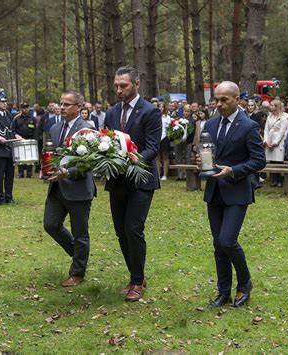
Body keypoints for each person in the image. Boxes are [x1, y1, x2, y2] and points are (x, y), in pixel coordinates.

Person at [196, 81, 266, 308]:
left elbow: (259, 160)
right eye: (216, 99)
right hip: (214, 191)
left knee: (228, 240)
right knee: (218, 244)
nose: (219, 104)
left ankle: (244, 283)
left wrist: (233, 171)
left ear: (237, 100)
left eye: (224, 100)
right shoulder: (211, 124)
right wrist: (202, 161)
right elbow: (208, 152)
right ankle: (223, 291)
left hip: (237, 192)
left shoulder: (248, 126)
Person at [104, 66, 161, 301]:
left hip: (141, 180)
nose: (118, 89)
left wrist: (133, 160)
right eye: (116, 85)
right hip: (117, 181)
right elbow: (104, 141)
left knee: (133, 229)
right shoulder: (111, 112)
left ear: (137, 84)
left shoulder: (150, 112)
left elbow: (153, 147)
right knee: (120, 231)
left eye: (123, 85)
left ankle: (137, 281)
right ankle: (134, 274)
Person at [43, 90, 96, 287]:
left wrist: (69, 172)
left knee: (80, 232)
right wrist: (46, 169)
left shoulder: (87, 130)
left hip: (78, 189)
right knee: (51, 225)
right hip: (56, 188)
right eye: (61, 104)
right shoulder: (55, 128)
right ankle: (79, 254)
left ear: (79, 107)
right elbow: (51, 154)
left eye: (67, 104)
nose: (62, 108)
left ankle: (78, 272)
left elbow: (90, 162)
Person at [263, 99, 288, 187]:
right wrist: (266, 141)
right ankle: (273, 179)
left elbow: (282, 131)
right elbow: (266, 129)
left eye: (272, 105)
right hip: (269, 139)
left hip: (279, 141)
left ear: (276, 107)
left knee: (278, 160)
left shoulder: (285, 116)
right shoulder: (270, 116)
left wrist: (275, 143)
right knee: (272, 161)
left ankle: (280, 180)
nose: (270, 107)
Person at [12, 102, 37, 178]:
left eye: (27, 107)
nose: (25, 109)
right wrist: (16, 136)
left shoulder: (32, 118)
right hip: (20, 139)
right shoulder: (16, 118)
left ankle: (29, 172)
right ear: (21, 109)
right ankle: (21, 172)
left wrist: (34, 139)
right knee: (20, 156)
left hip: (30, 139)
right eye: (23, 108)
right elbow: (13, 129)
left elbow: (35, 130)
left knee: (29, 156)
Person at [156, 102, 171, 180]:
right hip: (157, 138)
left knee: (165, 156)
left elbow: (169, 128)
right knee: (157, 156)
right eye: (159, 107)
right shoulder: (154, 116)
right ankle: (158, 174)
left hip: (165, 137)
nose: (160, 108)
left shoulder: (167, 117)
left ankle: (165, 175)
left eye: (162, 107)